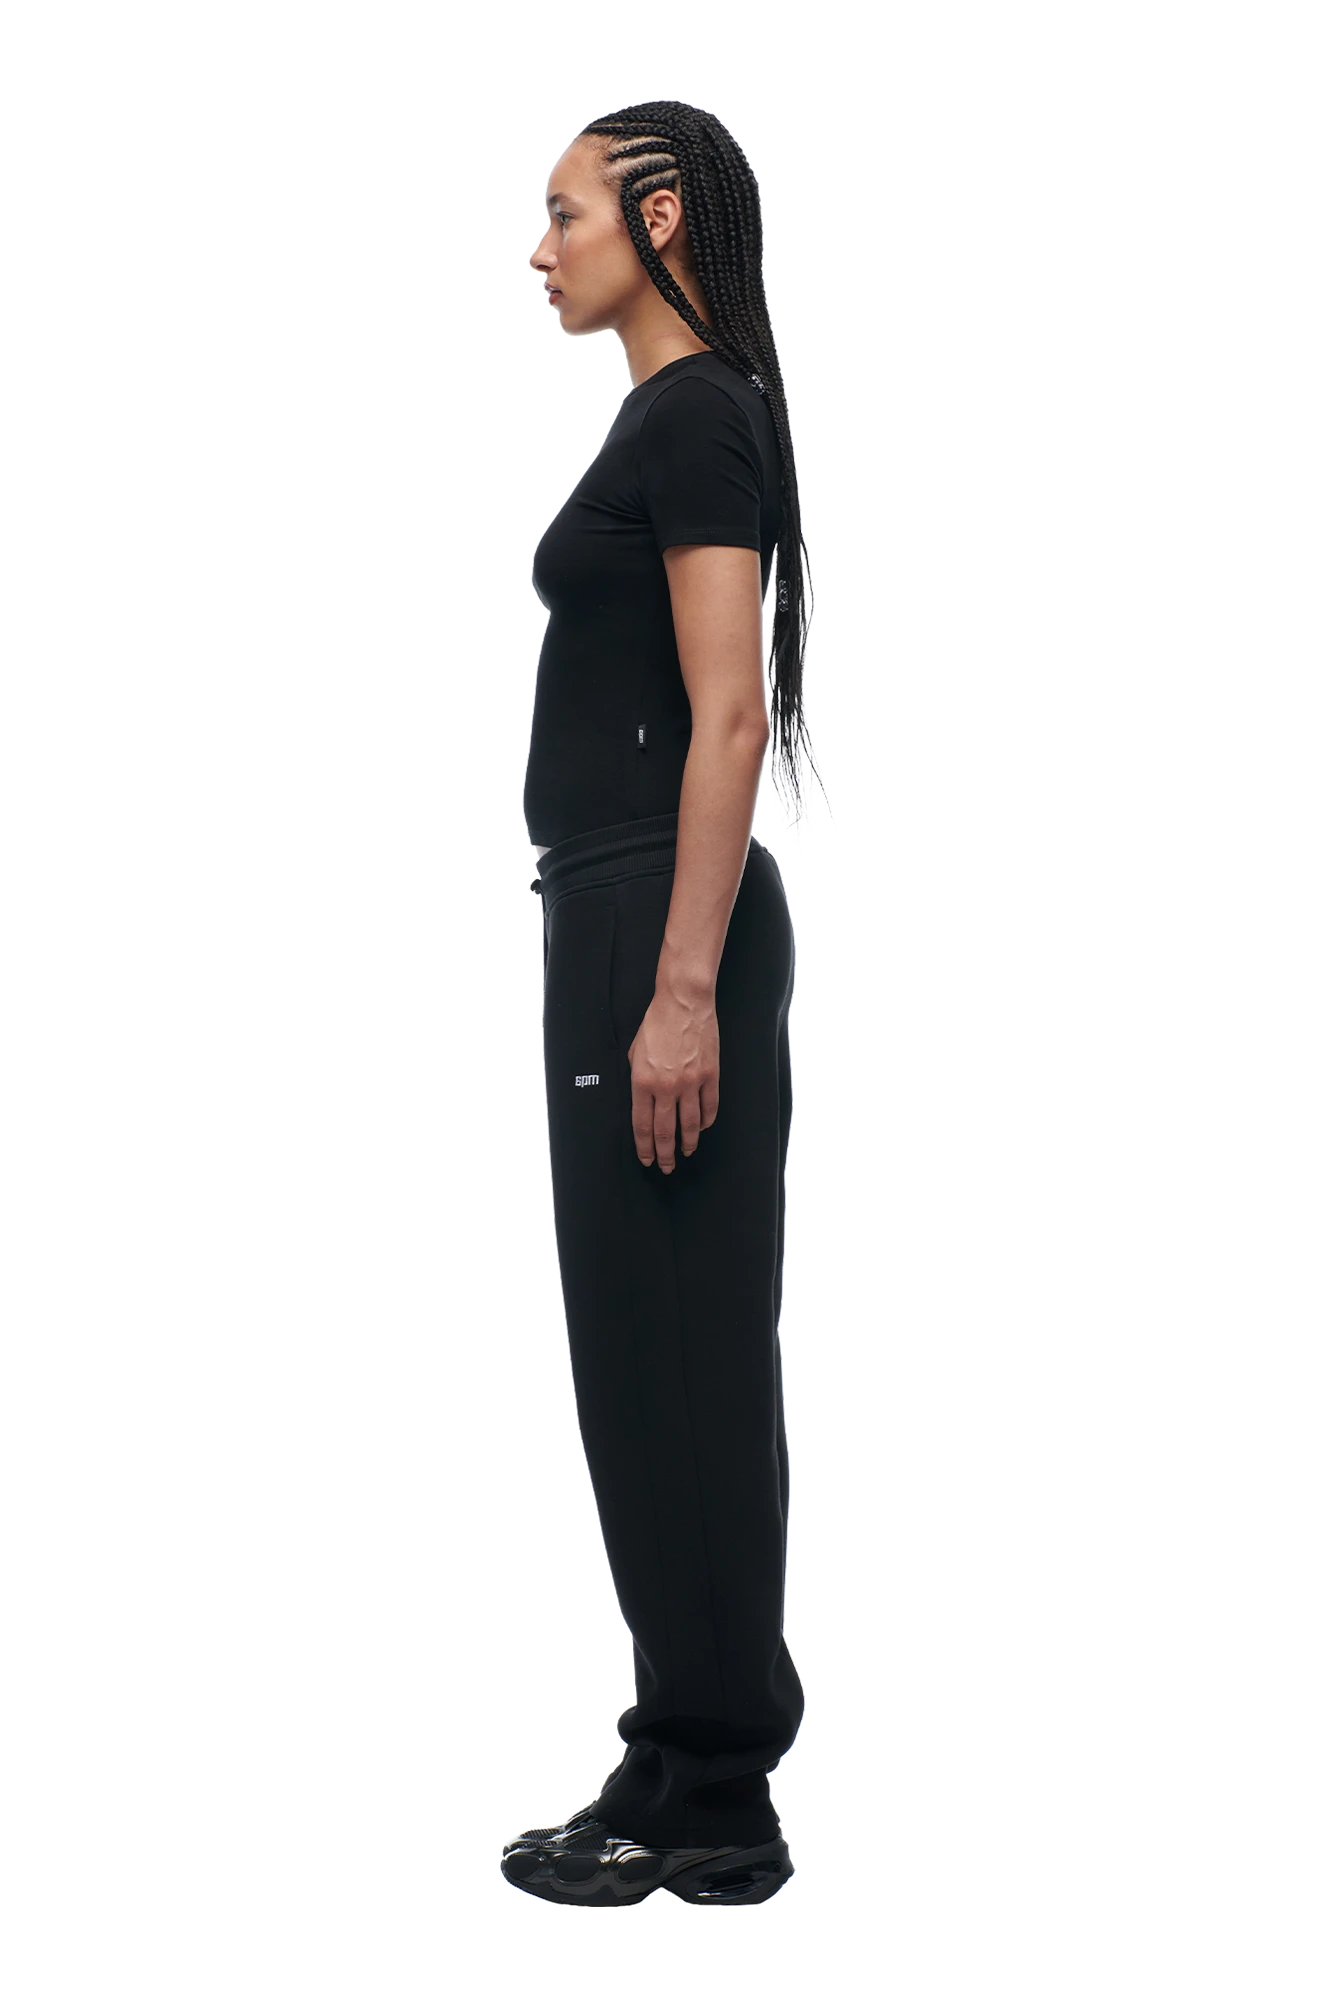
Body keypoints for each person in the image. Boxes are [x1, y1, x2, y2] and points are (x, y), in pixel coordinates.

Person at [503, 102, 821, 1912]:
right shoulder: (671, 415)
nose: (542, 248)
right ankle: (695, 1761)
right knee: (648, 1353)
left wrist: (682, 984)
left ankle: (708, 1774)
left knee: (671, 1351)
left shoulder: (695, 413)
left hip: (655, 919)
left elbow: (727, 714)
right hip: (622, 910)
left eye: (565, 214)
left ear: (663, 214)